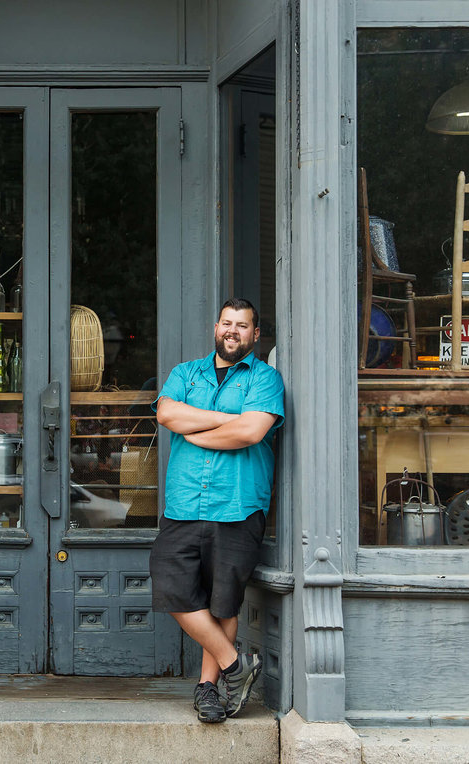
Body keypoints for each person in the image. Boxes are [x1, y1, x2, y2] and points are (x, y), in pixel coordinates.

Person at [149, 298, 285, 724]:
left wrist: (199, 429)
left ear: (255, 334)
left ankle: (209, 689)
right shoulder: (185, 373)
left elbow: (250, 430)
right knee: (171, 584)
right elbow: (167, 413)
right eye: (227, 323)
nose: (233, 331)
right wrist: (223, 420)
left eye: (242, 325)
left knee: (223, 603)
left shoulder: (266, 379)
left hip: (238, 505)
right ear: (215, 327)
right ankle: (235, 665)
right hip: (185, 502)